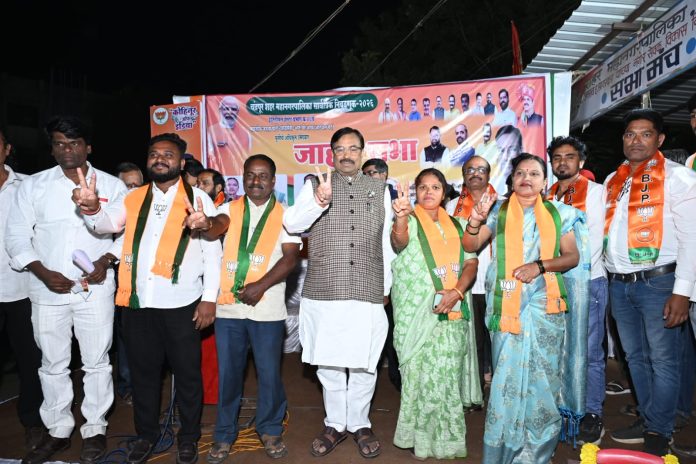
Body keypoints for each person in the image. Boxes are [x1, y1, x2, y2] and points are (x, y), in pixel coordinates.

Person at [82, 132, 223, 464]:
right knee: (144, 377)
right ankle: (146, 435)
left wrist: (209, 299)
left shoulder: (198, 199)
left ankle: (188, 438)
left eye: (168, 154)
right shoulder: (133, 198)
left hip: (182, 305)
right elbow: (105, 226)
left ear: (181, 162)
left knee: (187, 377)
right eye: (155, 154)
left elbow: (212, 253)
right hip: (139, 304)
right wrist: (91, 208)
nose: (160, 159)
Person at [6, 116, 128, 464]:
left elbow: (125, 235)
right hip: (48, 290)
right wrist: (42, 272)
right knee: (52, 363)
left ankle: (95, 428)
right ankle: (58, 429)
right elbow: (16, 236)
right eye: (59, 143)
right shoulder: (34, 186)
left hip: (95, 289)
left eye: (74, 143)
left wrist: (106, 260)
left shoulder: (113, 185)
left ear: (88, 147)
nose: (66, 150)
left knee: (96, 362)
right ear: (52, 149)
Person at [463, 153, 590, 463]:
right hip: (506, 307)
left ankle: (536, 452)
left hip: (544, 307)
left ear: (545, 182)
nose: (526, 178)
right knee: (505, 377)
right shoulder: (499, 212)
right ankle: (504, 450)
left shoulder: (561, 214)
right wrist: (475, 220)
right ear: (512, 180)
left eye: (534, 173)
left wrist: (539, 266)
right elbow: (470, 245)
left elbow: (571, 256)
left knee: (543, 379)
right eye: (520, 173)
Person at [283, 127, 394, 459]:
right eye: (340, 149)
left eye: (353, 149)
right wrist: (319, 202)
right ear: (331, 154)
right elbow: (292, 224)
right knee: (329, 362)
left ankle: (359, 423)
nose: (347, 155)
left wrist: (386, 286)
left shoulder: (380, 190)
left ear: (362, 153)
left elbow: (387, 243)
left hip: (367, 286)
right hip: (325, 288)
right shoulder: (314, 186)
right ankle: (335, 424)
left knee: (364, 363)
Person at [184, 154, 301, 463]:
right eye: (250, 175)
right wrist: (205, 222)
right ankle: (224, 434)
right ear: (243, 178)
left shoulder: (287, 215)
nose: (256, 181)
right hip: (229, 310)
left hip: (267, 309)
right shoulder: (229, 209)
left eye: (262, 176)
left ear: (273, 181)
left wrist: (260, 286)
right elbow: (215, 228)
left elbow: (291, 258)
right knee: (230, 375)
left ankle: (270, 429)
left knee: (269, 373)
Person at [605, 109, 696, 457]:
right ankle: (650, 419)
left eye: (645, 134)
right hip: (619, 284)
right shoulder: (615, 179)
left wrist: (682, 292)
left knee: (663, 360)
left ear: (660, 139)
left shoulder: (678, 177)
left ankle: (659, 430)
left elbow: (692, 238)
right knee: (635, 359)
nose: (636, 141)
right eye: (630, 134)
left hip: (660, 283)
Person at [390, 168, 480, 459]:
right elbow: (399, 242)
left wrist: (457, 292)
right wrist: (400, 217)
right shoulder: (408, 221)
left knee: (446, 378)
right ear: (415, 192)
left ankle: (446, 441)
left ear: (444, 193)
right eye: (423, 187)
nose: (429, 192)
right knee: (417, 376)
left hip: (452, 312)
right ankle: (418, 438)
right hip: (415, 313)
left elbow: (471, 263)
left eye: (435, 187)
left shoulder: (459, 225)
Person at [547, 136, 607, 445]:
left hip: (588, 280)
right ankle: (565, 407)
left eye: (569, 157)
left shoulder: (596, 192)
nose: (562, 162)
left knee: (589, 351)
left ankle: (592, 413)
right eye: (557, 157)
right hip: (556, 283)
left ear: (581, 162)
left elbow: (596, 238)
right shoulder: (548, 195)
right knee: (561, 349)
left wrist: (576, 271)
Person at [0, 127, 45, 452]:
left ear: (7, 149)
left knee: (31, 361)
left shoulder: (29, 186)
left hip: (24, 289)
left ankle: (34, 422)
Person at [447, 156, 497, 392]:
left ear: (488, 174)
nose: (475, 173)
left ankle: (499, 393)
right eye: (470, 170)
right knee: (473, 341)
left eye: (480, 169)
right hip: (466, 284)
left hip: (496, 282)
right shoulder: (451, 207)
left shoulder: (503, 204)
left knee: (497, 339)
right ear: (464, 175)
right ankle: (474, 392)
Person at [207, 96, 253, 176]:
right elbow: (210, 159)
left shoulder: (246, 134)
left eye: (233, 109)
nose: (230, 112)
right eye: (226, 108)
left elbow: (249, 160)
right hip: (217, 177)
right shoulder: (211, 132)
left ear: (237, 112)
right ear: (220, 110)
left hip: (240, 177)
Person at [489, 125, 523, 194]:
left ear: (521, 151)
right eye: (501, 151)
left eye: (512, 149)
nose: (505, 157)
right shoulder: (490, 188)